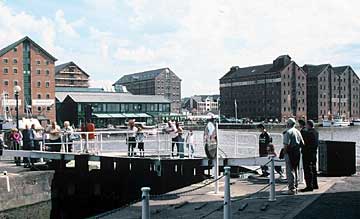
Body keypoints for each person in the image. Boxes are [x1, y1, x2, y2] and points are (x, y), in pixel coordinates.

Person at [282, 118, 304, 195]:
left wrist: (284, 153)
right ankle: (296, 186)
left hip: (290, 152)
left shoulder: (288, 132)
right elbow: (302, 143)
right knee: (296, 169)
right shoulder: (298, 131)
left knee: (289, 170)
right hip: (297, 152)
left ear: (288, 124)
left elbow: (286, 144)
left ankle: (291, 188)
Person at [300, 120, 319, 192]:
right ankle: (315, 184)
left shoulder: (308, 133)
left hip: (307, 153)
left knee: (308, 169)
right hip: (314, 153)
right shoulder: (316, 132)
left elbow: (303, 142)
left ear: (308, 125)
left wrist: (302, 130)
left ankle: (309, 186)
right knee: (314, 168)